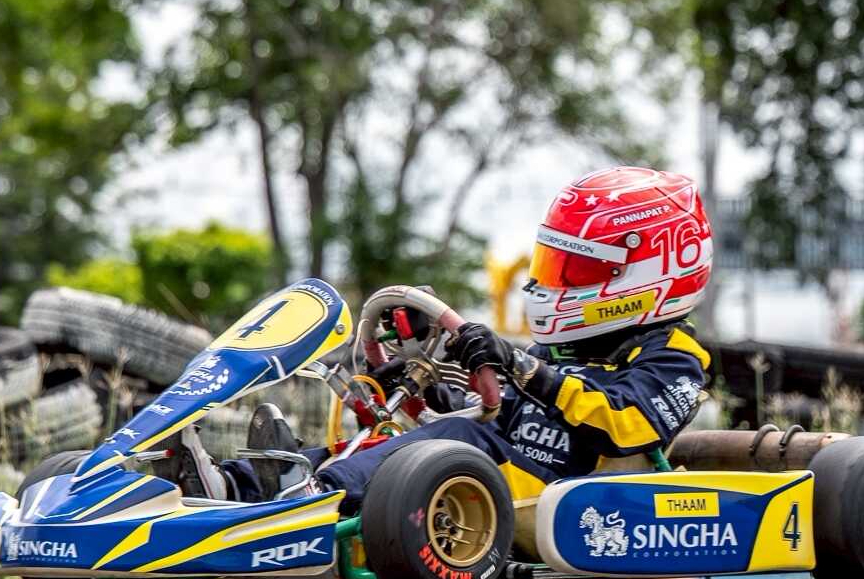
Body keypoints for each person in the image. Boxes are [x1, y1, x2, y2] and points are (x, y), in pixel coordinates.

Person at [216, 165, 713, 510]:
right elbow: (491, 412)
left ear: (650, 272)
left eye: (576, 270)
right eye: (555, 265)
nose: (554, 284)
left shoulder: (675, 359)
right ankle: (232, 486)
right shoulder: (559, 351)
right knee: (386, 441)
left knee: (456, 443)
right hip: (496, 470)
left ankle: (311, 500)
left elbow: (627, 424)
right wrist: (423, 387)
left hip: (563, 492)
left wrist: (520, 366)